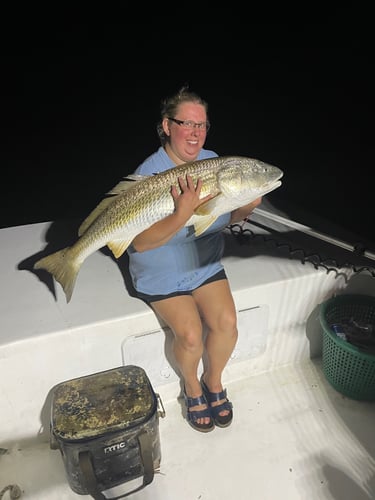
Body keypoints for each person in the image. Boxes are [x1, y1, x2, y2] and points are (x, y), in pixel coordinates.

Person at [127, 85, 262, 432]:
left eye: (201, 125)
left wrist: (243, 209)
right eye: (185, 123)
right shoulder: (149, 175)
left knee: (227, 323)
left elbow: (217, 221)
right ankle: (191, 387)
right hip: (160, 268)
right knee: (189, 335)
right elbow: (139, 244)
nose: (194, 133)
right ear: (167, 126)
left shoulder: (214, 163)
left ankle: (213, 381)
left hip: (202, 262)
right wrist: (179, 213)